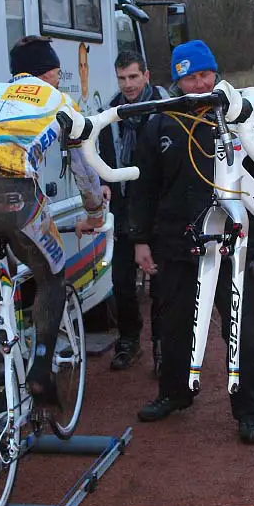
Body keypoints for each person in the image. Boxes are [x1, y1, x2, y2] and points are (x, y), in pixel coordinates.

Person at [129, 39, 254, 444]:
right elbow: (143, 187)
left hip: (235, 244)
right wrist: (140, 240)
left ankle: (248, 411)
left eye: (204, 74)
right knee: (173, 325)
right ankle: (174, 393)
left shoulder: (244, 117)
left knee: (242, 332)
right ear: (177, 80)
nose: (199, 83)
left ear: (215, 72)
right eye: (189, 77)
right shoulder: (159, 122)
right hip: (176, 243)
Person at [0, 35, 105, 407]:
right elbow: (84, 167)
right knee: (50, 277)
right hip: (15, 195)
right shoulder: (60, 100)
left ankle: (0, 364)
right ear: (51, 72)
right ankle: (39, 371)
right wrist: (95, 212)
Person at [98, 50, 169, 373]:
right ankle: (130, 341)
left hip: (161, 209)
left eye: (133, 77)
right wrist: (103, 181)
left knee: (162, 282)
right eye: (122, 78)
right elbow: (102, 156)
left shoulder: (168, 108)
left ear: (147, 76)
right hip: (125, 207)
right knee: (122, 282)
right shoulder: (110, 112)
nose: (128, 85)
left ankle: (163, 345)